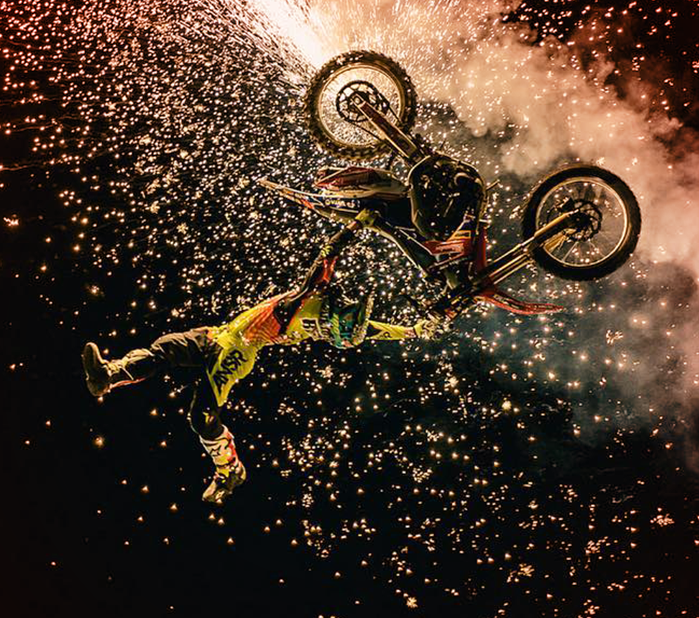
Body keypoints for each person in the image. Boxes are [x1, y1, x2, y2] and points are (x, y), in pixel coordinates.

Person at [81, 210, 443, 504]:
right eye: (336, 327)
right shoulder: (315, 300)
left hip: (237, 350)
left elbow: (346, 293)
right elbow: (339, 276)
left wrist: (358, 226)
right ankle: (108, 375)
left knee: (200, 415)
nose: (327, 332)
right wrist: (412, 329)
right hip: (219, 334)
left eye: (332, 334)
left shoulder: (313, 307)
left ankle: (229, 470)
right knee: (166, 347)